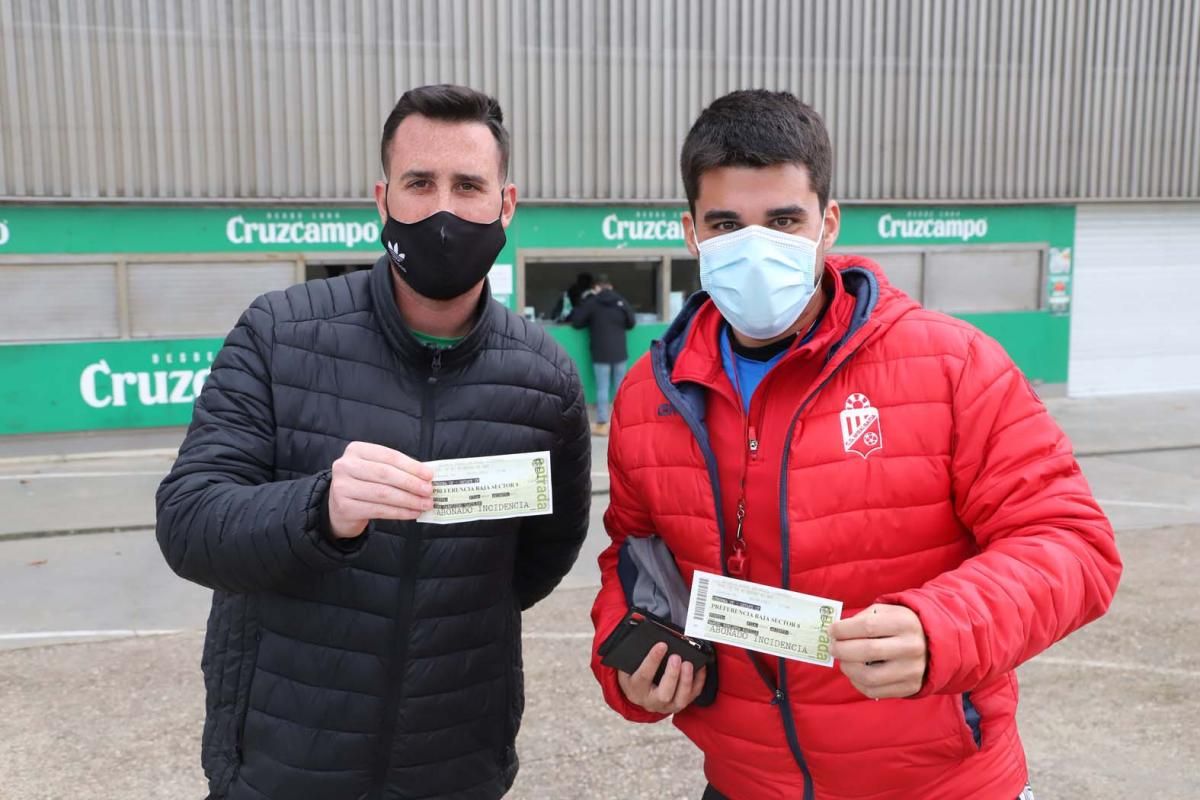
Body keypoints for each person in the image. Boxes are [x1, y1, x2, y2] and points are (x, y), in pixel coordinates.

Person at [589, 89, 1121, 800]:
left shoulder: (952, 366)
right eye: (726, 224)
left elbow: (1073, 543)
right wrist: (627, 663)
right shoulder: (649, 397)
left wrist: (944, 628)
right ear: (691, 233)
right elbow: (634, 552)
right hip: (747, 784)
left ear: (827, 224)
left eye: (783, 221)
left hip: (943, 787)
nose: (755, 249)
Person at [157, 84, 591, 800]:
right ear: (382, 196)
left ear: (505, 205)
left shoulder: (544, 378)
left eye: (468, 185)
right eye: (420, 183)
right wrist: (318, 510)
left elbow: (538, 561)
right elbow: (190, 523)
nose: (444, 209)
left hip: (455, 765)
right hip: (282, 761)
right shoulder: (279, 333)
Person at [569, 275, 636, 436]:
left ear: (596, 287)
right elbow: (631, 323)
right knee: (621, 387)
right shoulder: (621, 301)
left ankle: (602, 421)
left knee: (602, 388)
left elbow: (576, 322)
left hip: (600, 352)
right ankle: (624, 419)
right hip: (620, 352)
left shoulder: (592, 303)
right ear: (610, 286)